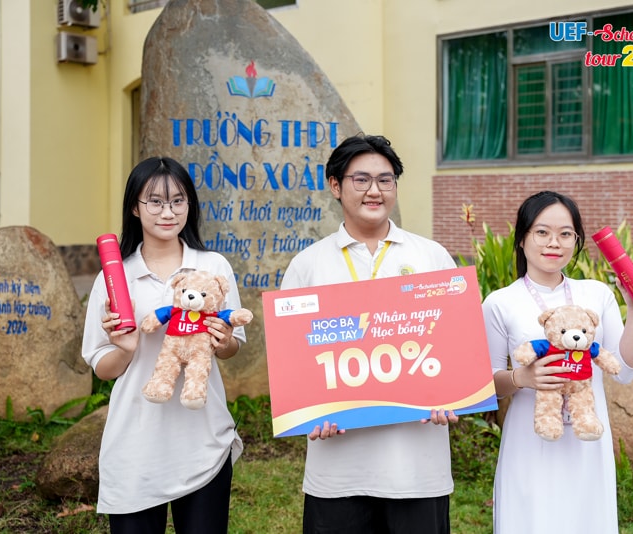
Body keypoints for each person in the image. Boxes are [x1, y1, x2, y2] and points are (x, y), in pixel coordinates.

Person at [280, 134, 458, 534]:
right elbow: (292, 361)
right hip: (337, 471)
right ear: (335, 185)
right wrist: (308, 410)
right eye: (361, 180)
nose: (374, 191)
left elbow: (455, 347)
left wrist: (454, 394)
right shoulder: (308, 265)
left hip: (417, 470)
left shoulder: (431, 256)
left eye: (385, 179)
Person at [481, 191, 633, 534]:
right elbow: (485, 385)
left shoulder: (597, 294)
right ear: (522, 238)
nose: (554, 243)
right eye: (542, 232)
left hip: (586, 445)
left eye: (565, 234)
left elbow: (624, 372)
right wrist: (522, 377)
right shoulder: (500, 302)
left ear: (576, 240)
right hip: (529, 444)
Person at [82, 156, 246, 534]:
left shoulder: (213, 266)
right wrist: (124, 349)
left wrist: (223, 342)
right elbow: (101, 367)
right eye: (155, 201)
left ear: (190, 205)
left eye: (177, 201)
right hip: (135, 444)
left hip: (203, 441)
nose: (168, 212)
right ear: (135, 208)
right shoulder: (115, 277)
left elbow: (233, 345)